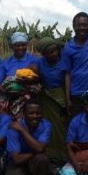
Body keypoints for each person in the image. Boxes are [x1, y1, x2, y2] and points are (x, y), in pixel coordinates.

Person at [5, 99, 52, 175]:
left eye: (38, 113)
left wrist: (22, 130)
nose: (35, 116)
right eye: (31, 113)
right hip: (19, 162)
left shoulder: (46, 125)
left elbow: (40, 149)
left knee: (42, 159)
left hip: (35, 161)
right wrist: (36, 152)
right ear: (23, 114)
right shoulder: (14, 127)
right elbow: (16, 159)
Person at [36, 37, 68, 166]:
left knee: (62, 128)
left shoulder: (65, 61)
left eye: (55, 51)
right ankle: (52, 159)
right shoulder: (40, 63)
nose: (54, 54)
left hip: (62, 98)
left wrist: (67, 100)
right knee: (50, 128)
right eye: (49, 52)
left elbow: (68, 81)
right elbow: (36, 77)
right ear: (43, 54)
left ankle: (65, 158)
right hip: (47, 99)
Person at [0, 32, 40, 119]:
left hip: (29, 101)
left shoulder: (34, 60)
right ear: (12, 46)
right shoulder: (6, 63)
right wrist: (7, 91)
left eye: (23, 45)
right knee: (10, 124)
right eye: (17, 45)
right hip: (9, 98)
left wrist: (26, 82)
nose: (20, 48)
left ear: (27, 45)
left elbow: (39, 78)